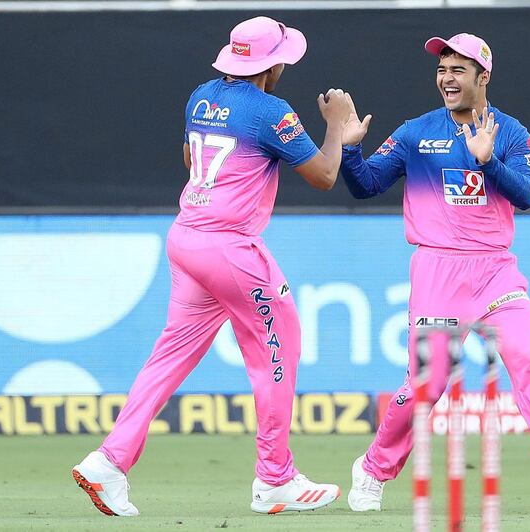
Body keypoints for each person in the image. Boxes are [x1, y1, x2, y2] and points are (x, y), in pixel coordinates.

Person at [72, 16, 351, 516]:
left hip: (186, 238)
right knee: (278, 350)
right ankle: (275, 479)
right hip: (230, 248)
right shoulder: (271, 110)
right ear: (275, 64)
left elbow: (189, 159)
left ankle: (109, 462)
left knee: (168, 358)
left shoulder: (202, 96)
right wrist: (337, 127)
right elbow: (325, 176)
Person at [340, 33, 530, 513]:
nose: (447, 79)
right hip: (438, 269)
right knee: (429, 383)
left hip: (496, 272)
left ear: (484, 76)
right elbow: (366, 185)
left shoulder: (513, 133)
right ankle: (372, 468)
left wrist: (488, 161)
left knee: (524, 356)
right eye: (442, 70)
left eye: (458, 70)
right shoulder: (417, 132)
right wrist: (352, 151)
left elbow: (527, 194)